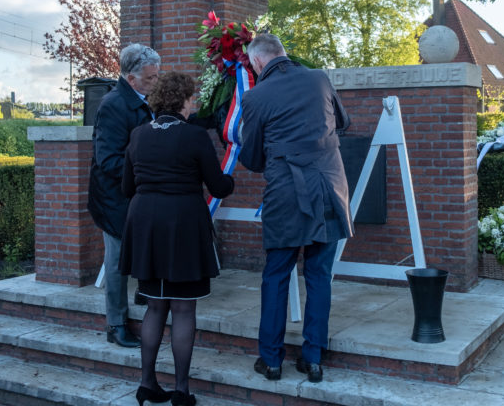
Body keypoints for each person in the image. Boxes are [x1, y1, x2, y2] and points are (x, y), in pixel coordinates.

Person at [239, 33, 353, 383]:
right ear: (282, 54)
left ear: (257, 62)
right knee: (319, 275)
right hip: (330, 189)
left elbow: (253, 157)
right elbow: (344, 123)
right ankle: (313, 359)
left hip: (287, 193)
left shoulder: (255, 96)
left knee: (276, 275)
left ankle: (271, 361)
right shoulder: (319, 77)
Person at [120, 71, 234, 406]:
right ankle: (181, 391)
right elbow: (217, 186)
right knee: (183, 310)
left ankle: (146, 384)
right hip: (183, 225)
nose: (193, 104)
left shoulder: (138, 135)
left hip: (145, 226)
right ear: (183, 101)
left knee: (155, 306)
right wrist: (230, 179)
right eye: (191, 99)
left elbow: (127, 188)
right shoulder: (195, 136)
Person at [87, 44, 161, 348]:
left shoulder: (141, 99)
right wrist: (147, 170)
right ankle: (116, 325)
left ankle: (142, 295)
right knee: (117, 262)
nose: (157, 81)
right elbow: (108, 160)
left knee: (144, 249)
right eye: (151, 78)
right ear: (132, 79)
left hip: (135, 194)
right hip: (115, 199)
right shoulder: (114, 105)